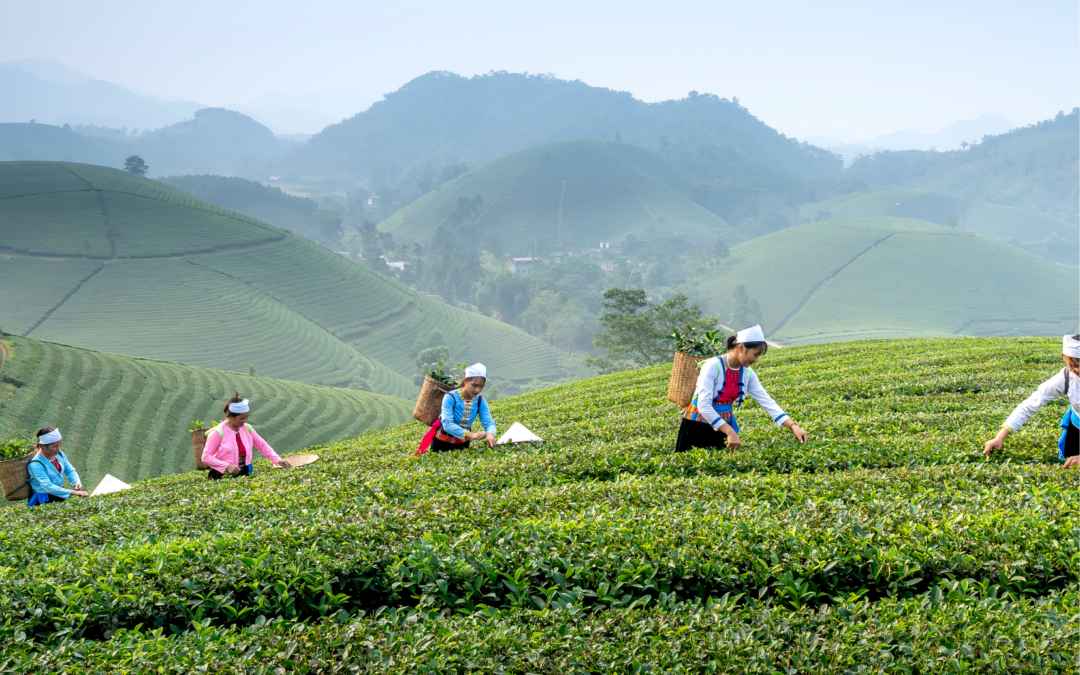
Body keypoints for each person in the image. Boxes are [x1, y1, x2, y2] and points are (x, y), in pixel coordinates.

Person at [676, 325, 808, 453]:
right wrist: (729, 431)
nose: (756, 360)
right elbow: (704, 405)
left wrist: (793, 426)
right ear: (741, 347)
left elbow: (766, 401)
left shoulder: (747, 373)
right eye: (755, 354)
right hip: (697, 426)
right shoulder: (712, 366)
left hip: (722, 426)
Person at [984, 334, 1080, 468]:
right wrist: (1000, 436)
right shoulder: (1067, 377)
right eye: (1068, 364)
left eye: (1075, 365)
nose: (1070, 369)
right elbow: (1031, 404)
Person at [202, 394, 291, 479]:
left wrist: (277, 460)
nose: (244, 421)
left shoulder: (247, 429)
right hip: (221, 474)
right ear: (230, 416)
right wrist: (226, 466)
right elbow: (206, 456)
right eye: (241, 418)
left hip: (244, 471)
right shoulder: (218, 432)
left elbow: (262, 445)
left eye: (246, 417)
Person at [431, 363, 498, 452]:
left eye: (481, 386)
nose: (477, 390)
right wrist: (471, 434)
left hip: (463, 444)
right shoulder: (450, 397)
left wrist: (490, 434)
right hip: (442, 443)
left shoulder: (480, 400)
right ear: (465, 381)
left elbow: (489, 422)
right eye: (474, 385)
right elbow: (447, 424)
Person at [27, 427, 89, 506]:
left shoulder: (59, 454)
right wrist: (74, 492)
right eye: (55, 446)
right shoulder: (36, 464)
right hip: (44, 500)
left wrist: (76, 482)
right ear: (43, 446)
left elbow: (69, 470)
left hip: (58, 494)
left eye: (60, 444)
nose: (58, 448)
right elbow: (48, 486)